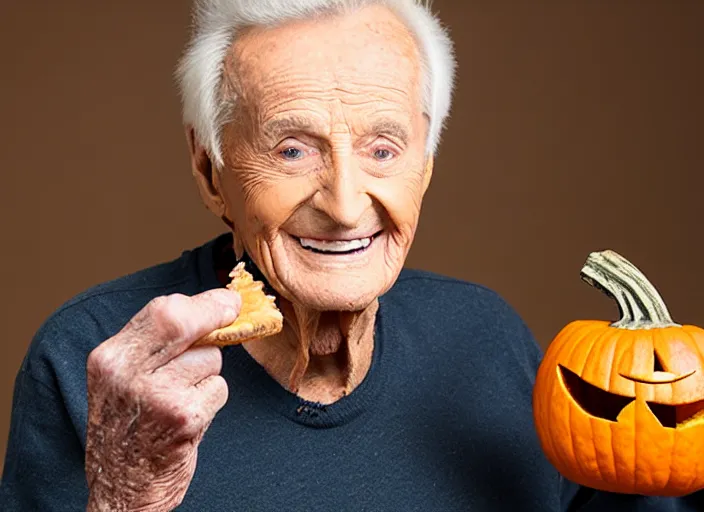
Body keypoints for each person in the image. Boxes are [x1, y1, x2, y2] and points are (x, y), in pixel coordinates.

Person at [1, 1, 702, 510]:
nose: (343, 203)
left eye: (383, 149)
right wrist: (129, 496)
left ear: (424, 165)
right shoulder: (95, 358)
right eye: (293, 148)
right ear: (211, 169)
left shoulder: (488, 339)